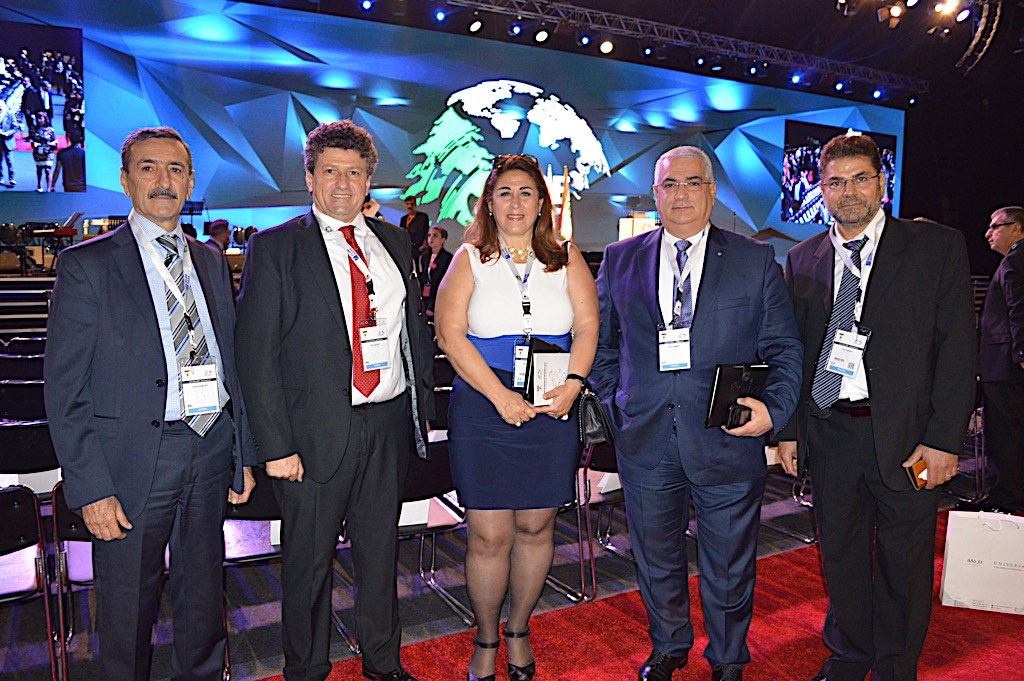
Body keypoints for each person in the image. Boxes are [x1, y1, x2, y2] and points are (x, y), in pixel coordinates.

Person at [43, 126, 256, 681]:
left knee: (204, 596)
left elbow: (230, 365)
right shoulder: (88, 265)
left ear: (190, 181)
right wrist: (91, 488)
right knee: (125, 609)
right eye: (148, 168)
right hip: (132, 460)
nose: (164, 180)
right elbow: (65, 389)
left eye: (175, 169)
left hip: (210, 448)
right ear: (125, 180)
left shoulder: (210, 259)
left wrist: (241, 454)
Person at [590, 145, 803, 681]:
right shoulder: (620, 259)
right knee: (655, 556)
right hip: (645, 438)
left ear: (711, 191)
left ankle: (728, 657)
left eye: (692, 183)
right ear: (655, 193)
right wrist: (617, 404)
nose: (680, 194)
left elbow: (784, 348)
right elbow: (601, 345)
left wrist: (774, 411)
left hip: (728, 437)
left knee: (729, 562)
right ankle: (668, 645)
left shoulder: (755, 259)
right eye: (669, 184)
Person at [235, 119, 434, 681]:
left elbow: (408, 331)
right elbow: (256, 355)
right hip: (311, 435)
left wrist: (418, 415)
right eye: (330, 172)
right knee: (308, 566)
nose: (343, 184)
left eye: (354, 172)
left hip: (386, 424)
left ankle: (383, 663)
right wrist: (274, 446)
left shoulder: (395, 241)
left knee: (379, 555)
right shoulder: (276, 247)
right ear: (310, 178)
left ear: (369, 180)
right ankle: (306, 670)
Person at [777, 133, 976, 681]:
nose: (849, 192)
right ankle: (849, 655)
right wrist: (791, 431)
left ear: (882, 182)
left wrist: (943, 440)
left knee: (904, 561)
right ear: (821, 189)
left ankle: (894, 665)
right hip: (831, 433)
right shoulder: (802, 258)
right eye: (836, 182)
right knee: (839, 554)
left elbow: (957, 349)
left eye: (860, 178)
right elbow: (793, 352)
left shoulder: (935, 248)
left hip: (912, 440)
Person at [434, 153, 599, 681]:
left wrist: (574, 384)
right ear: (489, 202)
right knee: (489, 535)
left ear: (542, 203)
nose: (515, 203)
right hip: (484, 407)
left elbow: (588, 326)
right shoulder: (469, 257)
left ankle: (519, 631)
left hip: (553, 401)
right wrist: (499, 396)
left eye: (526, 192)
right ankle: (485, 638)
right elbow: (449, 334)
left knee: (536, 525)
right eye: (504, 192)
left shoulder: (566, 256)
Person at [976, 205, 1024, 514]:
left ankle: (1004, 498)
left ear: (1017, 228)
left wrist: (1022, 353)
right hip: (1010, 363)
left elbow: (1019, 308)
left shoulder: (1014, 261)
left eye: (996, 226)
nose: (988, 233)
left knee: (1005, 435)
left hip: (1006, 365)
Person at [418, 226, 453, 319]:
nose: (431, 238)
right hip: (425, 298)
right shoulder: (424, 256)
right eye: (429, 235)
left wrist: (433, 306)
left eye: (435, 236)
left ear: (443, 240)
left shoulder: (448, 258)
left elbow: (445, 283)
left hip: (439, 300)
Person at [30, 112, 57, 192]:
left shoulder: (50, 130)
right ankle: (39, 186)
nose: (39, 120)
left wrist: (52, 144)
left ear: (45, 119)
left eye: (41, 118)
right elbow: (31, 140)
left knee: (48, 170)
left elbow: (55, 141)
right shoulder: (34, 129)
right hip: (38, 153)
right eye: (38, 118)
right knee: (39, 169)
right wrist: (34, 143)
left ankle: (49, 189)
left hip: (48, 153)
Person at [400, 195, 430, 264]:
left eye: (412, 204)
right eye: (407, 204)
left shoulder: (422, 217)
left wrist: (424, 245)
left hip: (420, 248)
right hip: (407, 248)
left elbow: (426, 231)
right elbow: (401, 233)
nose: (409, 206)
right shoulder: (403, 219)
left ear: (415, 204)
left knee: (420, 266)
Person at [0, 100, 16, 188]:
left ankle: (12, 178)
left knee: (10, 161)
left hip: (8, 141)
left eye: (1, 107)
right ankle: (1, 177)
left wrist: (8, 133)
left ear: (4, 106)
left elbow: (15, 127)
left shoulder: (10, 115)